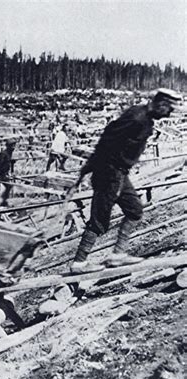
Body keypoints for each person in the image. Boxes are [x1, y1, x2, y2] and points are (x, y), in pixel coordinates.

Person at [68, 89, 182, 274]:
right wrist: (91, 166)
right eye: (169, 109)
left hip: (120, 173)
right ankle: (79, 263)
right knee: (100, 219)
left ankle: (117, 255)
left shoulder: (145, 119)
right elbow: (107, 139)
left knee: (134, 210)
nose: (169, 114)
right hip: (108, 172)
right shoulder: (136, 118)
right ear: (161, 104)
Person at [0, 137, 17, 211]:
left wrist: (9, 173)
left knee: (9, 186)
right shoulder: (3, 154)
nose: (13, 147)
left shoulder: (10, 154)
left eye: (14, 145)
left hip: (3, 174)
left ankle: (4, 202)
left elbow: (7, 165)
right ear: (8, 146)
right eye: (12, 146)